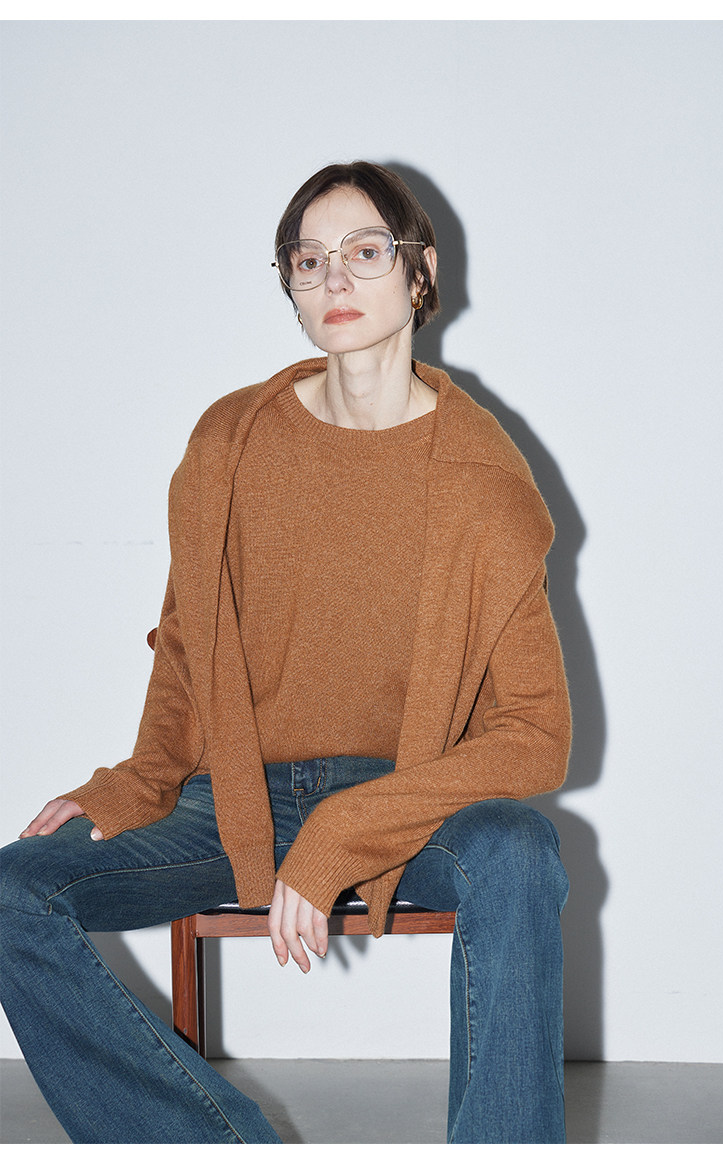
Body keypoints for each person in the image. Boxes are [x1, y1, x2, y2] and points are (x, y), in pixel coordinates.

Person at [0, 161, 571, 1144]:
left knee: (519, 852)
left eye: (364, 252)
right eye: (308, 261)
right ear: (292, 288)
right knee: (13, 888)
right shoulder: (231, 442)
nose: (334, 279)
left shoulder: (485, 480)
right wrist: (139, 780)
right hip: (236, 798)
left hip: (409, 800)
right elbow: (189, 642)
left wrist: (347, 824)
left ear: (421, 272)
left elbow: (536, 735)